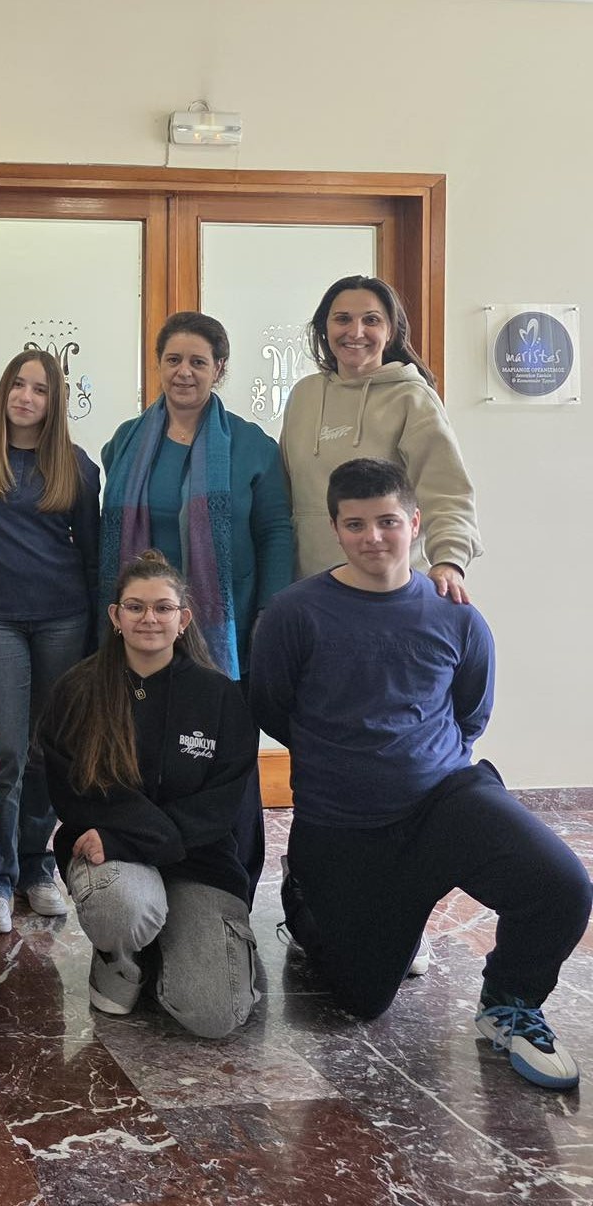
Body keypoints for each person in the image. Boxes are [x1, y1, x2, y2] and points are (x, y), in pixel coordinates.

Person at [251, 458, 590, 1090]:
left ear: (414, 522)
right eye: (355, 524)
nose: (373, 537)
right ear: (335, 528)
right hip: (343, 826)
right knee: (361, 1000)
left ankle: (509, 1005)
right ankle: (308, 897)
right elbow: (272, 707)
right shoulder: (294, 613)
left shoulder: (457, 615)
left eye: (387, 521)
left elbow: (472, 713)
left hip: (444, 804)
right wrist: (347, 759)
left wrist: (415, 762)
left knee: (563, 886)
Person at [42, 551, 260, 1038]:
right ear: (115, 616)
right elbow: (72, 793)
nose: (149, 618)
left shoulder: (220, 696)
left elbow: (222, 805)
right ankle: (119, 958)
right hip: (112, 859)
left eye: (163, 608)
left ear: (183, 619)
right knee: (124, 908)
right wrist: (128, 842)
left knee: (213, 1016)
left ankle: (167, 949)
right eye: (135, 607)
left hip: (198, 861)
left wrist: (133, 836)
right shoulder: (77, 690)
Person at [0, 349, 100, 935]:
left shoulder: (76, 465)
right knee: (4, 751)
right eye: (18, 385)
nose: (26, 397)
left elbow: (93, 556)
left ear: (55, 402)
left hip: (63, 619)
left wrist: (97, 636)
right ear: (4, 390)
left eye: (40, 390)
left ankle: (37, 864)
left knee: (48, 747)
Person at [99, 311, 292, 681]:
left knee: (217, 712)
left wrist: (270, 609)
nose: (183, 372)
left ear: (218, 369)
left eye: (198, 362)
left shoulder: (252, 445)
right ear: (159, 364)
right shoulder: (124, 442)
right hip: (144, 622)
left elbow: (275, 533)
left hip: (227, 617)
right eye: (173, 360)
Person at [282, 276, 480, 602]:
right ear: (324, 328)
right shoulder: (304, 395)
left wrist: (449, 561)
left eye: (371, 320)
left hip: (390, 592)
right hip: (312, 592)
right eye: (343, 319)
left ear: (390, 332)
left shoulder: (412, 398)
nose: (356, 331)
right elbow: (286, 495)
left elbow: (448, 493)